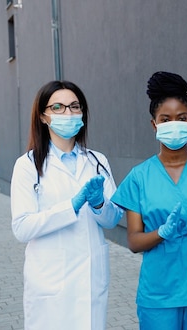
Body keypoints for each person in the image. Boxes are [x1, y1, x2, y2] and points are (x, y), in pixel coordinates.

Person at [111, 71, 187, 330]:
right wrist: (162, 233)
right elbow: (133, 241)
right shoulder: (139, 177)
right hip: (159, 292)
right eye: (165, 119)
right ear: (154, 125)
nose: (174, 124)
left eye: (181, 118)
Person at [10, 80, 124, 329]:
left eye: (74, 106)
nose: (68, 113)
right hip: (50, 284)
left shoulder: (96, 160)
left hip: (90, 281)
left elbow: (112, 218)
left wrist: (98, 204)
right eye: (58, 107)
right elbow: (22, 227)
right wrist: (70, 207)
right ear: (43, 116)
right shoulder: (28, 165)